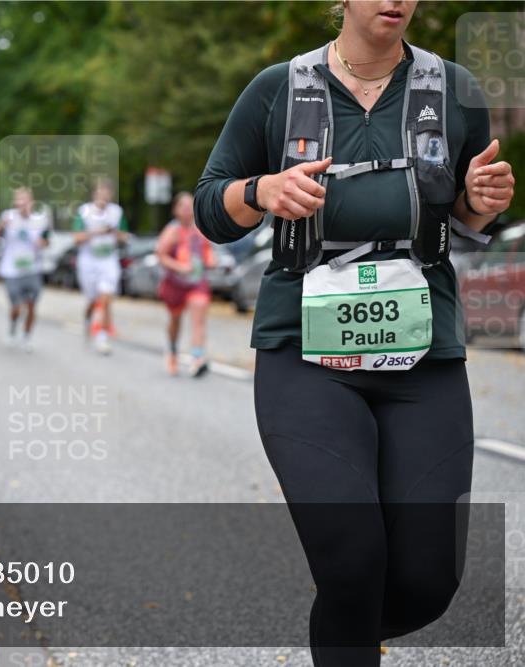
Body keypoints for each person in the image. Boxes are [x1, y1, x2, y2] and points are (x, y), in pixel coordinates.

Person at [193, 2, 514, 665]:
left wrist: (479, 203)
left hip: (424, 357)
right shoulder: (278, 89)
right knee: (351, 562)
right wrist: (261, 190)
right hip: (304, 355)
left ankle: (344, 627)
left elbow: (460, 217)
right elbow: (210, 207)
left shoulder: (453, 89)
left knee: (429, 579)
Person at [156, 192, 215, 377]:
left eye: (191, 205)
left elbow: (208, 253)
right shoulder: (172, 231)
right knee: (175, 319)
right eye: (183, 206)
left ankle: (197, 358)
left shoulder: (201, 229)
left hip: (197, 281)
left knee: (199, 314)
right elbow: (160, 255)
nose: (188, 209)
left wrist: (211, 262)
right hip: (175, 284)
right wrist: (179, 267)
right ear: (176, 210)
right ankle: (172, 351)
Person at [0, 187, 50, 353]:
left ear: (31, 202)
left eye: (26, 200)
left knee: (31, 306)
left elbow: (47, 241)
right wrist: (2, 225)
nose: (22, 204)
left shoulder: (40, 220)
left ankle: (26, 336)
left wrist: (42, 243)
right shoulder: (8, 217)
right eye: (19, 200)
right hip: (11, 270)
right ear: (15, 202)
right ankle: (12, 328)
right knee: (16, 307)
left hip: (32, 269)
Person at [73, 180, 129, 355]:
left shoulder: (116, 212)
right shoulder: (84, 212)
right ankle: (88, 321)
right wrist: (98, 231)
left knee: (106, 297)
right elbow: (77, 238)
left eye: (106, 193)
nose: (103, 197)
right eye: (100, 193)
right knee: (92, 300)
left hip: (108, 260)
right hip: (88, 261)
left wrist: (114, 233)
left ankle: (102, 336)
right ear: (94, 195)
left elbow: (124, 236)